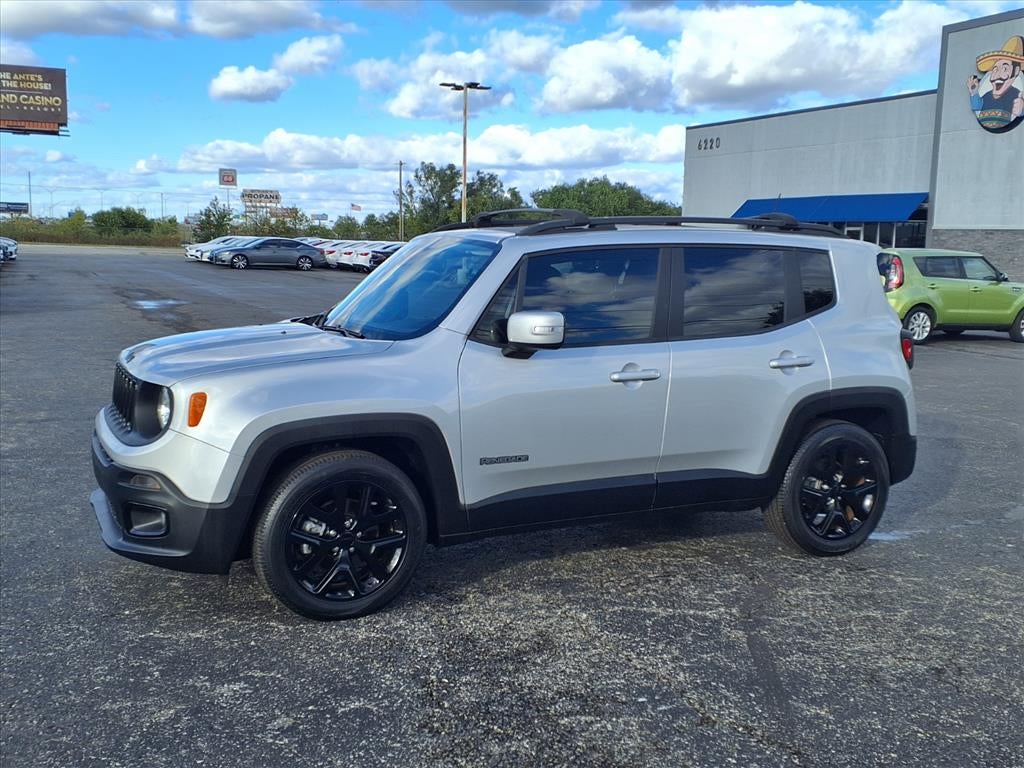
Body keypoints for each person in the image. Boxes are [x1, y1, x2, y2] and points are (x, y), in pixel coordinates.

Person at [969, 35, 1024, 132]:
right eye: (995, 69)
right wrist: (974, 92)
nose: (997, 75)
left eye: (1005, 69)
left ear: (1016, 71)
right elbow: (976, 106)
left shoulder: (1016, 94)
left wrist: (1022, 109)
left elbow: (1018, 109)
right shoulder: (987, 96)